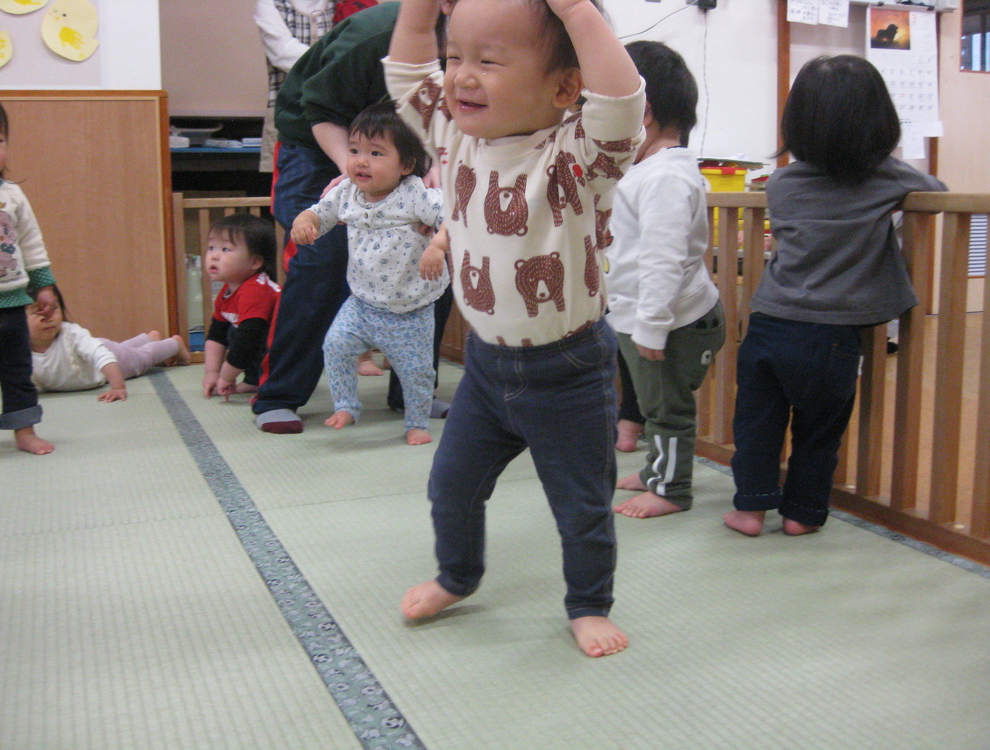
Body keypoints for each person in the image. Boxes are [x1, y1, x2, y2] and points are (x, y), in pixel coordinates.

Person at [385, 0, 645, 657]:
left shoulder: (574, 157)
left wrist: (577, 11)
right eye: (456, 58)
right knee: (450, 486)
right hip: (485, 369)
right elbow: (405, 67)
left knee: (582, 507)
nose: (461, 76)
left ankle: (587, 605)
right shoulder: (453, 137)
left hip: (568, 373)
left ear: (563, 87)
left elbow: (620, 102)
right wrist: (421, 7)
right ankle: (458, 575)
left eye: (488, 61)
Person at [724, 55, 947, 538]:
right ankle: (802, 514)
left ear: (797, 124)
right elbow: (937, 189)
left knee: (757, 424)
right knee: (820, 431)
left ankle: (749, 509)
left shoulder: (782, 183)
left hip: (769, 322)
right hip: (832, 336)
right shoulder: (888, 179)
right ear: (880, 124)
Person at [254, 0, 454, 435]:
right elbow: (320, 111)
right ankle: (280, 394)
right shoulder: (375, 37)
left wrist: (431, 181)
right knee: (320, 259)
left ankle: (413, 392)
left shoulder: (496, 45)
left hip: (409, 152)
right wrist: (356, 172)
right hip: (324, 136)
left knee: (433, 258)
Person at [607, 41, 725, 520]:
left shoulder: (665, 178)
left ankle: (672, 489)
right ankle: (658, 470)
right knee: (655, 404)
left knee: (668, 409)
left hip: (673, 320)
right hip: (648, 317)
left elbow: (664, 257)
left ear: (643, 114)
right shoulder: (643, 172)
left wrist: (652, 324)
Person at [290, 102, 447, 444]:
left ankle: (417, 422)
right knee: (334, 346)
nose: (361, 161)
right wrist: (305, 222)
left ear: (406, 164)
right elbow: (319, 213)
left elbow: (455, 218)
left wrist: (437, 246)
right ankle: (347, 404)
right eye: (355, 150)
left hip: (411, 310)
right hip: (361, 303)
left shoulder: (416, 194)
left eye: (376, 153)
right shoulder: (347, 192)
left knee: (417, 372)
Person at [0, 95, 57, 455]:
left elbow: (31, 243)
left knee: (17, 371)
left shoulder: (13, 195)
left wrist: (43, 285)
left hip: (10, 302)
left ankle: (24, 431)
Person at [28, 285, 190, 401]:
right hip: (108, 351)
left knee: (140, 359)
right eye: (38, 311)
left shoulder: (70, 334)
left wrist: (118, 387)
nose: (49, 317)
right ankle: (149, 338)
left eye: (54, 309)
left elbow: (102, 356)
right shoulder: (19, 350)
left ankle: (174, 344)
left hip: (106, 361)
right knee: (125, 350)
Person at [203, 213, 282, 401]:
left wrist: (226, 377)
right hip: (263, 339)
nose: (214, 256)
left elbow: (249, 340)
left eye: (225, 249)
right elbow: (217, 333)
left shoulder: (255, 290)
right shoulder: (227, 290)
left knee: (244, 334)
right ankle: (255, 379)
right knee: (232, 331)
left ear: (255, 262)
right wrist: (212, 372)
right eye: (211, 247)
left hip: (288, 343)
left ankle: (269, 380)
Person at [254, 0, 333, 173]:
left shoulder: (342, 4)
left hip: (336, 115)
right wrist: (336, 64)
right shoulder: (272, 3)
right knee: (288, 185)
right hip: (288, 113)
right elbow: (282, 52)